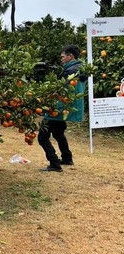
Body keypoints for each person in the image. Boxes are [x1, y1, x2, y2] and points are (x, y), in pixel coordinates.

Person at [38, 44, 86, 172]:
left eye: (63, 56)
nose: (61, 59)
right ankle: (67, 158)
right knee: (58, 132)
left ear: (71, 56)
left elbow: (60, 90)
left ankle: (54, 163)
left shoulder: (70, 71)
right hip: (69, 106)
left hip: (60, 107)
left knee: (42, 136)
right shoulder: (80, 68)